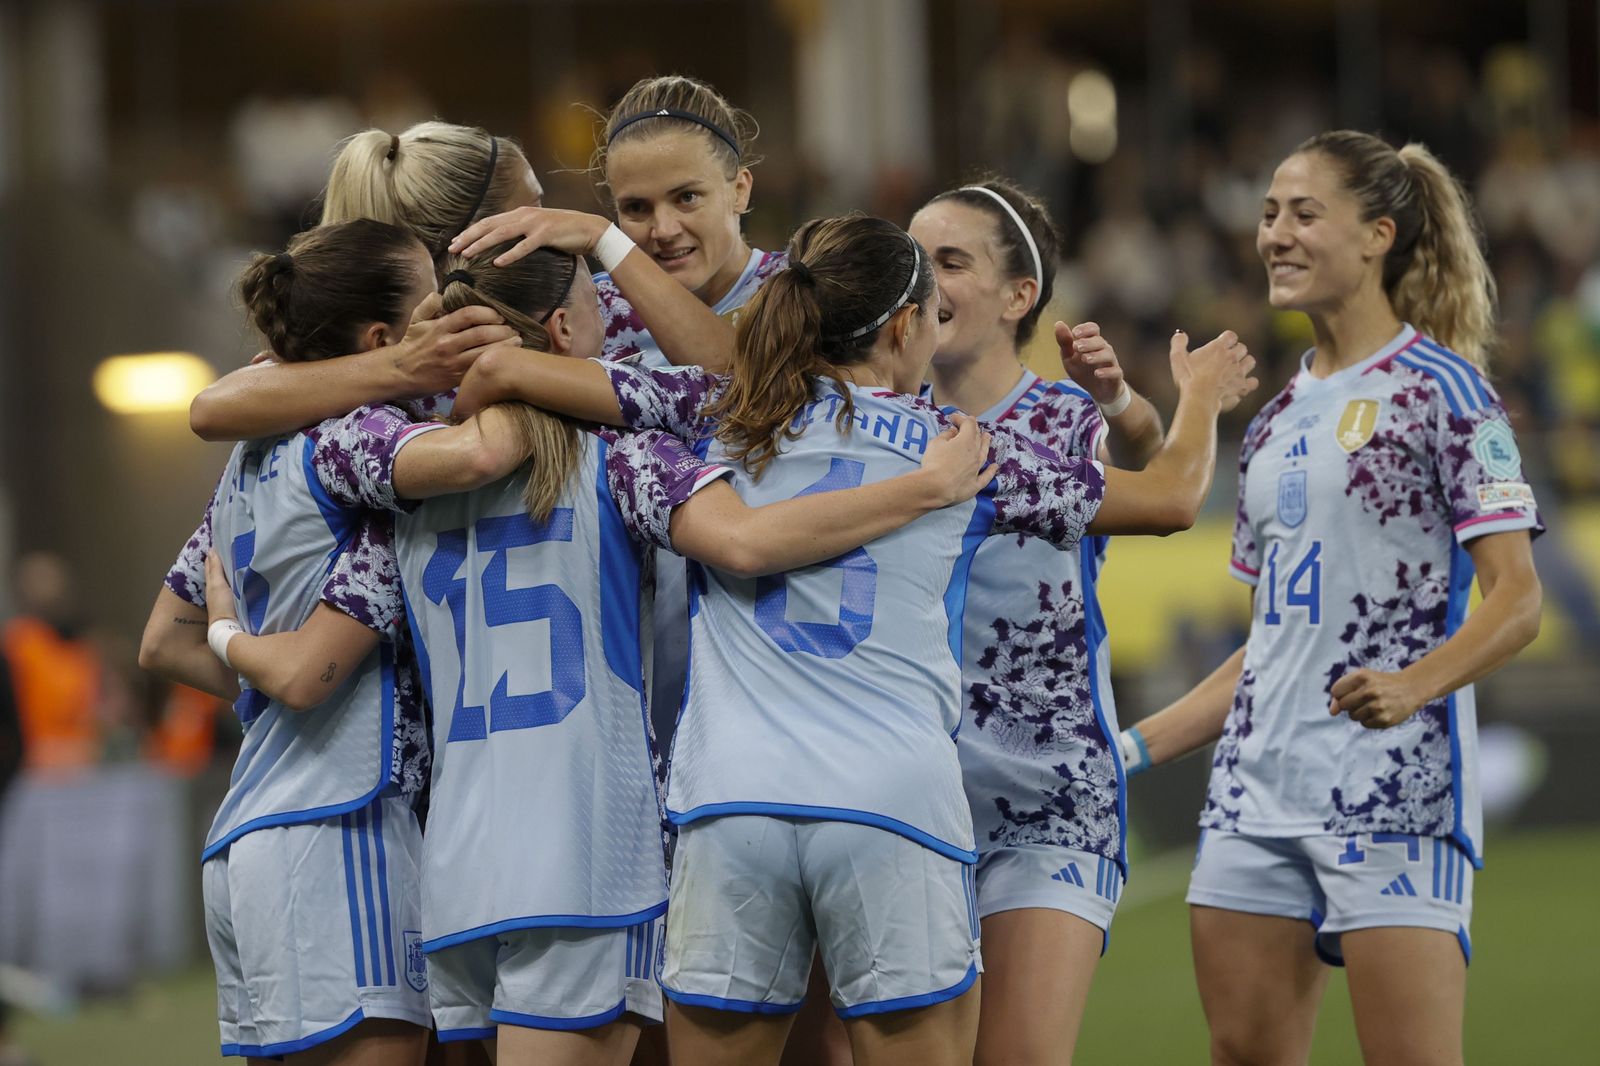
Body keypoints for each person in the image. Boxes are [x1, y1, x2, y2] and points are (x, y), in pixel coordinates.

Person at [452, 213, 1256, 1066]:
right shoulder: (963, 453)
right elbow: (1172, 499)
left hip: (730, 805)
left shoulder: (715, 409)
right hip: (890, 803)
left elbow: (514, 370)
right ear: (905, 326)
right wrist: (1199, 393)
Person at [195, 237, 997, 1066]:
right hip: (590, 855)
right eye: (595, 301)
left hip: (456, 872)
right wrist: (927, 485)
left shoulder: (388, 480)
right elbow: (748, 541)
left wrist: (226, 632)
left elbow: (223, 425)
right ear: (566, 327)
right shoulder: (626, 457)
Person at [1120, 131, 1543, 1066]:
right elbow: (1271, 651)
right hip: (1252, 792)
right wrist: (1128, 749)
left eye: (1305, 213)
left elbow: (1517, 601)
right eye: (1269, 213)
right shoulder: (1269, 425)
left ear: (1377, 236)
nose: (1276, 232)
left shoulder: (1447, 392)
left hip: (1392, 791)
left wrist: (1414, 685)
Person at [139, 219, 451, 1065]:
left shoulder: (251, 457)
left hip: (248, 830)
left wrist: (263, 668)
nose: (453, 301)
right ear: (381, 338)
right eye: (435, 288)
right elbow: (481, 454)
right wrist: (266, 656)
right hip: (336, 821)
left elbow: (163, 643)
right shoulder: (359, 443)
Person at [907, 178, 1171, 1065]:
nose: (924, 277)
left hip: (1045, 793)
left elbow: (1154, 468)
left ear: (1021, 296)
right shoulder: (878, 419)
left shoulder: (1064, 418)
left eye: (951, 260)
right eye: (915, 257)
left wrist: (1123, 400)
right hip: (901, 790)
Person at [451, 74, 789, 756]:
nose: (663, 230)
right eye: (636, 208)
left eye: (687, 197)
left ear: (741, 190)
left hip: (765, 626)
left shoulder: (798, 294)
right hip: (616, 634)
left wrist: (611, 242)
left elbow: (732, 380)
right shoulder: (586, 305)